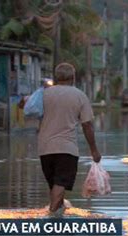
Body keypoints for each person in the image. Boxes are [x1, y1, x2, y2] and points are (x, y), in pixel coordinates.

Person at [38, 62, 101, 215]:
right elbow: (87, 126)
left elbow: (27, 108)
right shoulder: (80, 96)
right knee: (60, 184)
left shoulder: (44, 94)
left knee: (55, 185)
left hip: (45, 148)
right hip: (67, 149)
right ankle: (51, 216)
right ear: (73, 77)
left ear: (56, 77)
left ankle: (57, 220)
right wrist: (94, 151)